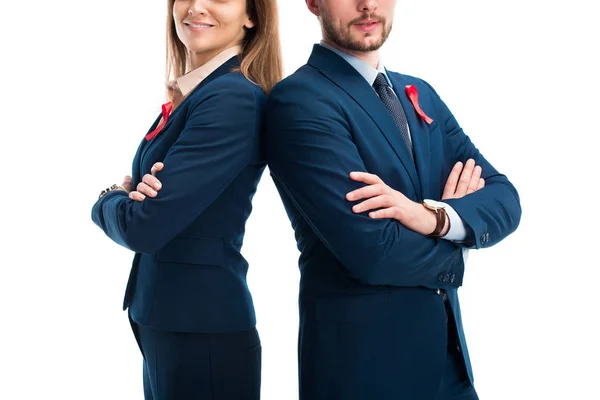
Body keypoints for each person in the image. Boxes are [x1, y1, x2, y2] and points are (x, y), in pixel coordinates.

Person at [265, 0, 521, 399]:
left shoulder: (419, 94)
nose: (367, 4)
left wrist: (432, 218)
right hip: (364, 372)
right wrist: (460, 242)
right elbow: (373, 251)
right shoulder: (300, 101)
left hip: (450, 368)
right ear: (313, 3)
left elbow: (505, 197)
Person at [91, 0, 282, 398]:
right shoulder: (199, 92)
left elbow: (144, 227)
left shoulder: (232, 98)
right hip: (172, 320)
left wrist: (111, 197)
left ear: (252, 15)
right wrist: (132, 200)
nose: (197, 7)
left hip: (201, 331)